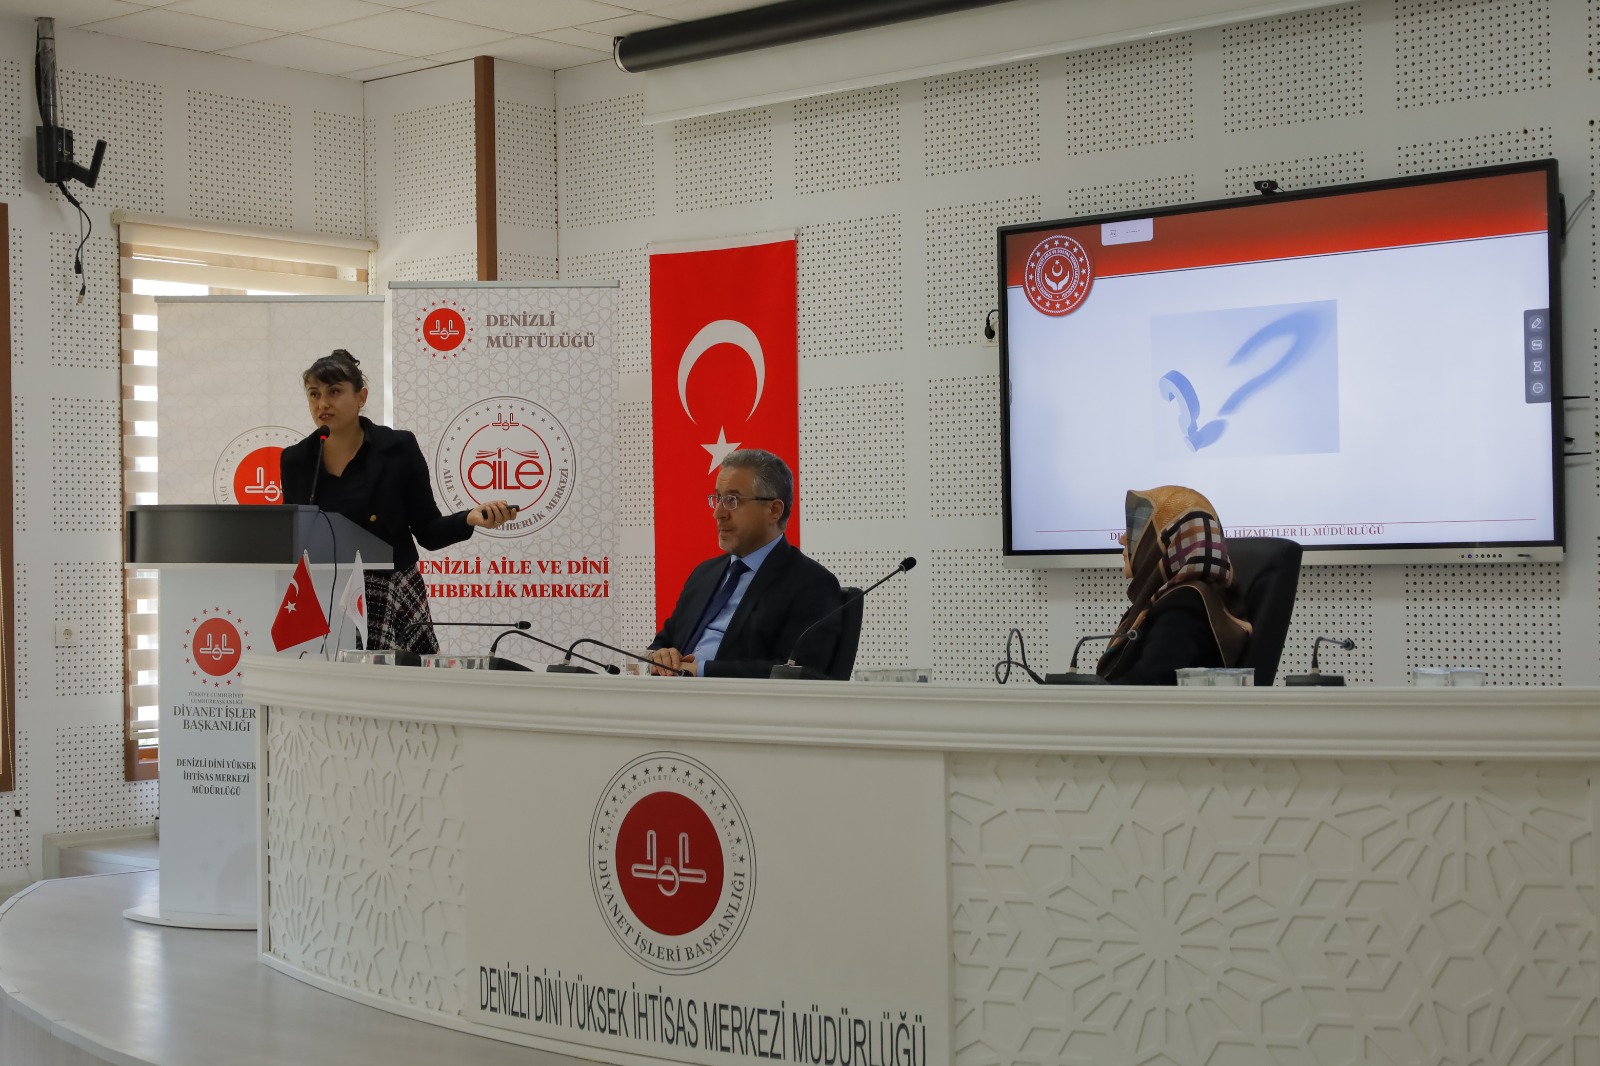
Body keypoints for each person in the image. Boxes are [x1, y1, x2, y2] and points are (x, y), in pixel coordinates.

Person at [279, 349, 515, 654]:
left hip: (390, 592)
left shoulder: (398, 448)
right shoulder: (296, 460)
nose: (322, 403)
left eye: (334, 392)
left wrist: (469, 518)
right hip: (323, 594)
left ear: (361, 396)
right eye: (314, 394)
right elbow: (291, 537)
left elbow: (428, 531)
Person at [647, 449, 842, 678]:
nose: (718, 513)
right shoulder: (704, 574)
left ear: (774, 510)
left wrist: (701, 670)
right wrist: (660, 656)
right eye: (717, 498)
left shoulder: (812, 584)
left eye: (732, 500)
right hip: (670, 694)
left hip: (737, 700)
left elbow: (800, 672)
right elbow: (662, 643)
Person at [1096, 485, 1252, 685]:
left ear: (1168, 539)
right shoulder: (1166, 599)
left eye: (1137, 530)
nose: (1122, 539)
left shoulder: (1184, 604)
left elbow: (1149, 683)